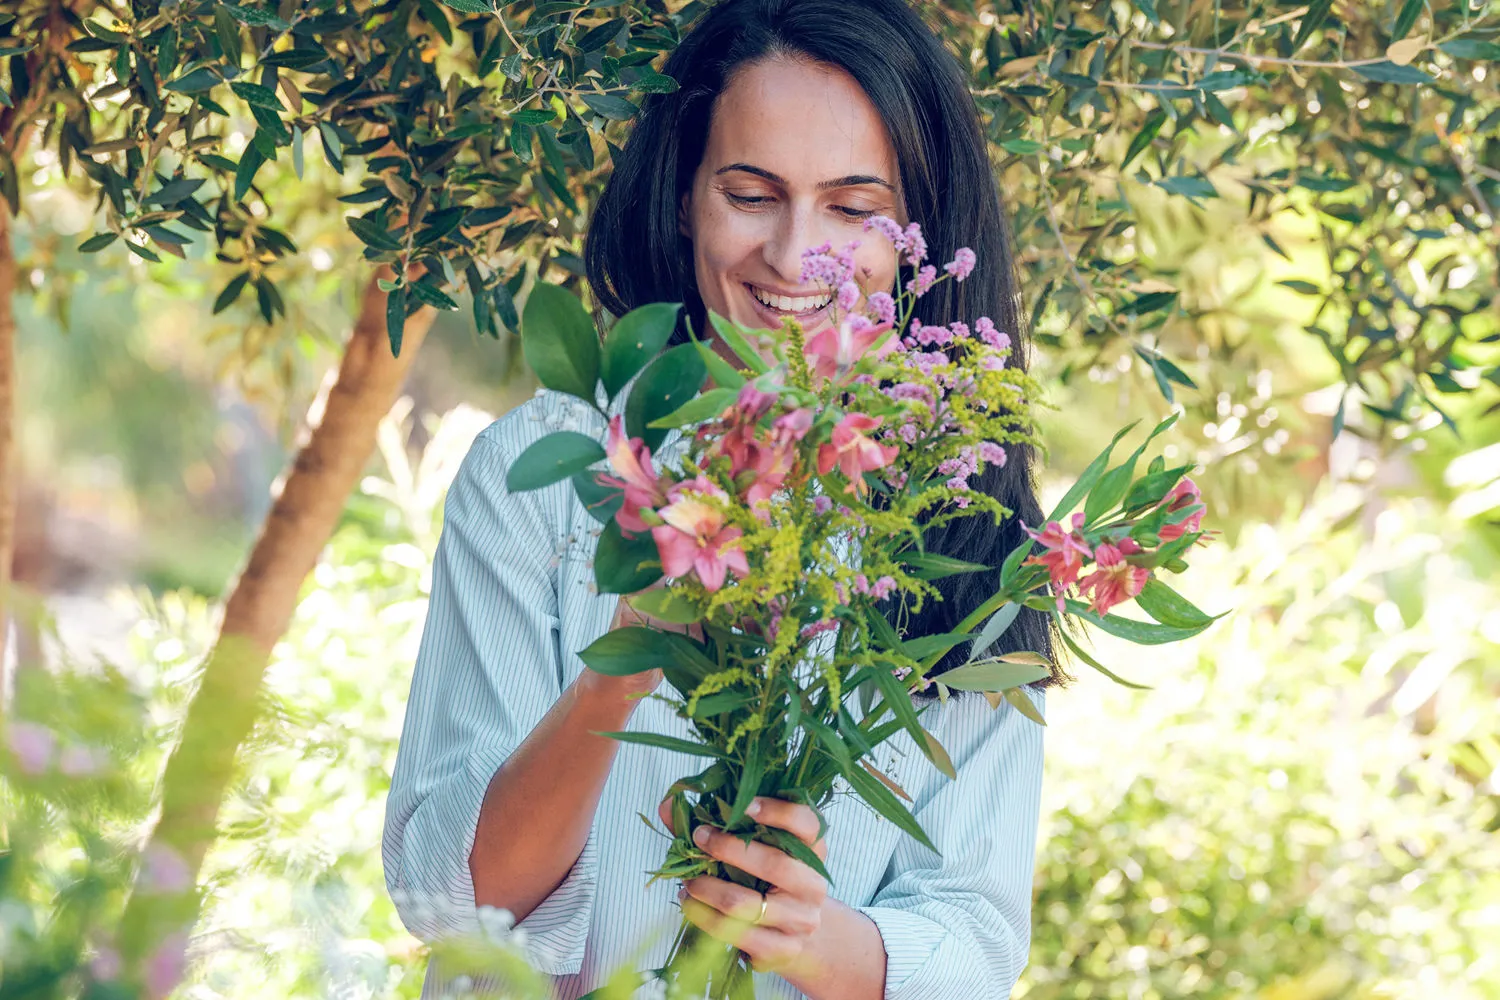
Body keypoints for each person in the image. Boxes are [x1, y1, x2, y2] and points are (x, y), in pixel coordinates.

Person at [382, 0, 1054, 997]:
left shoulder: (971, 528)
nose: (793, 256)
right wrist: (623, 664)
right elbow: (450, 900)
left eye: (854, 207)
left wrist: (811, 936)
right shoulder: (549, 474)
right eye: (751, 192)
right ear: (684, 194)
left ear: (922, 233)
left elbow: (975, 930)